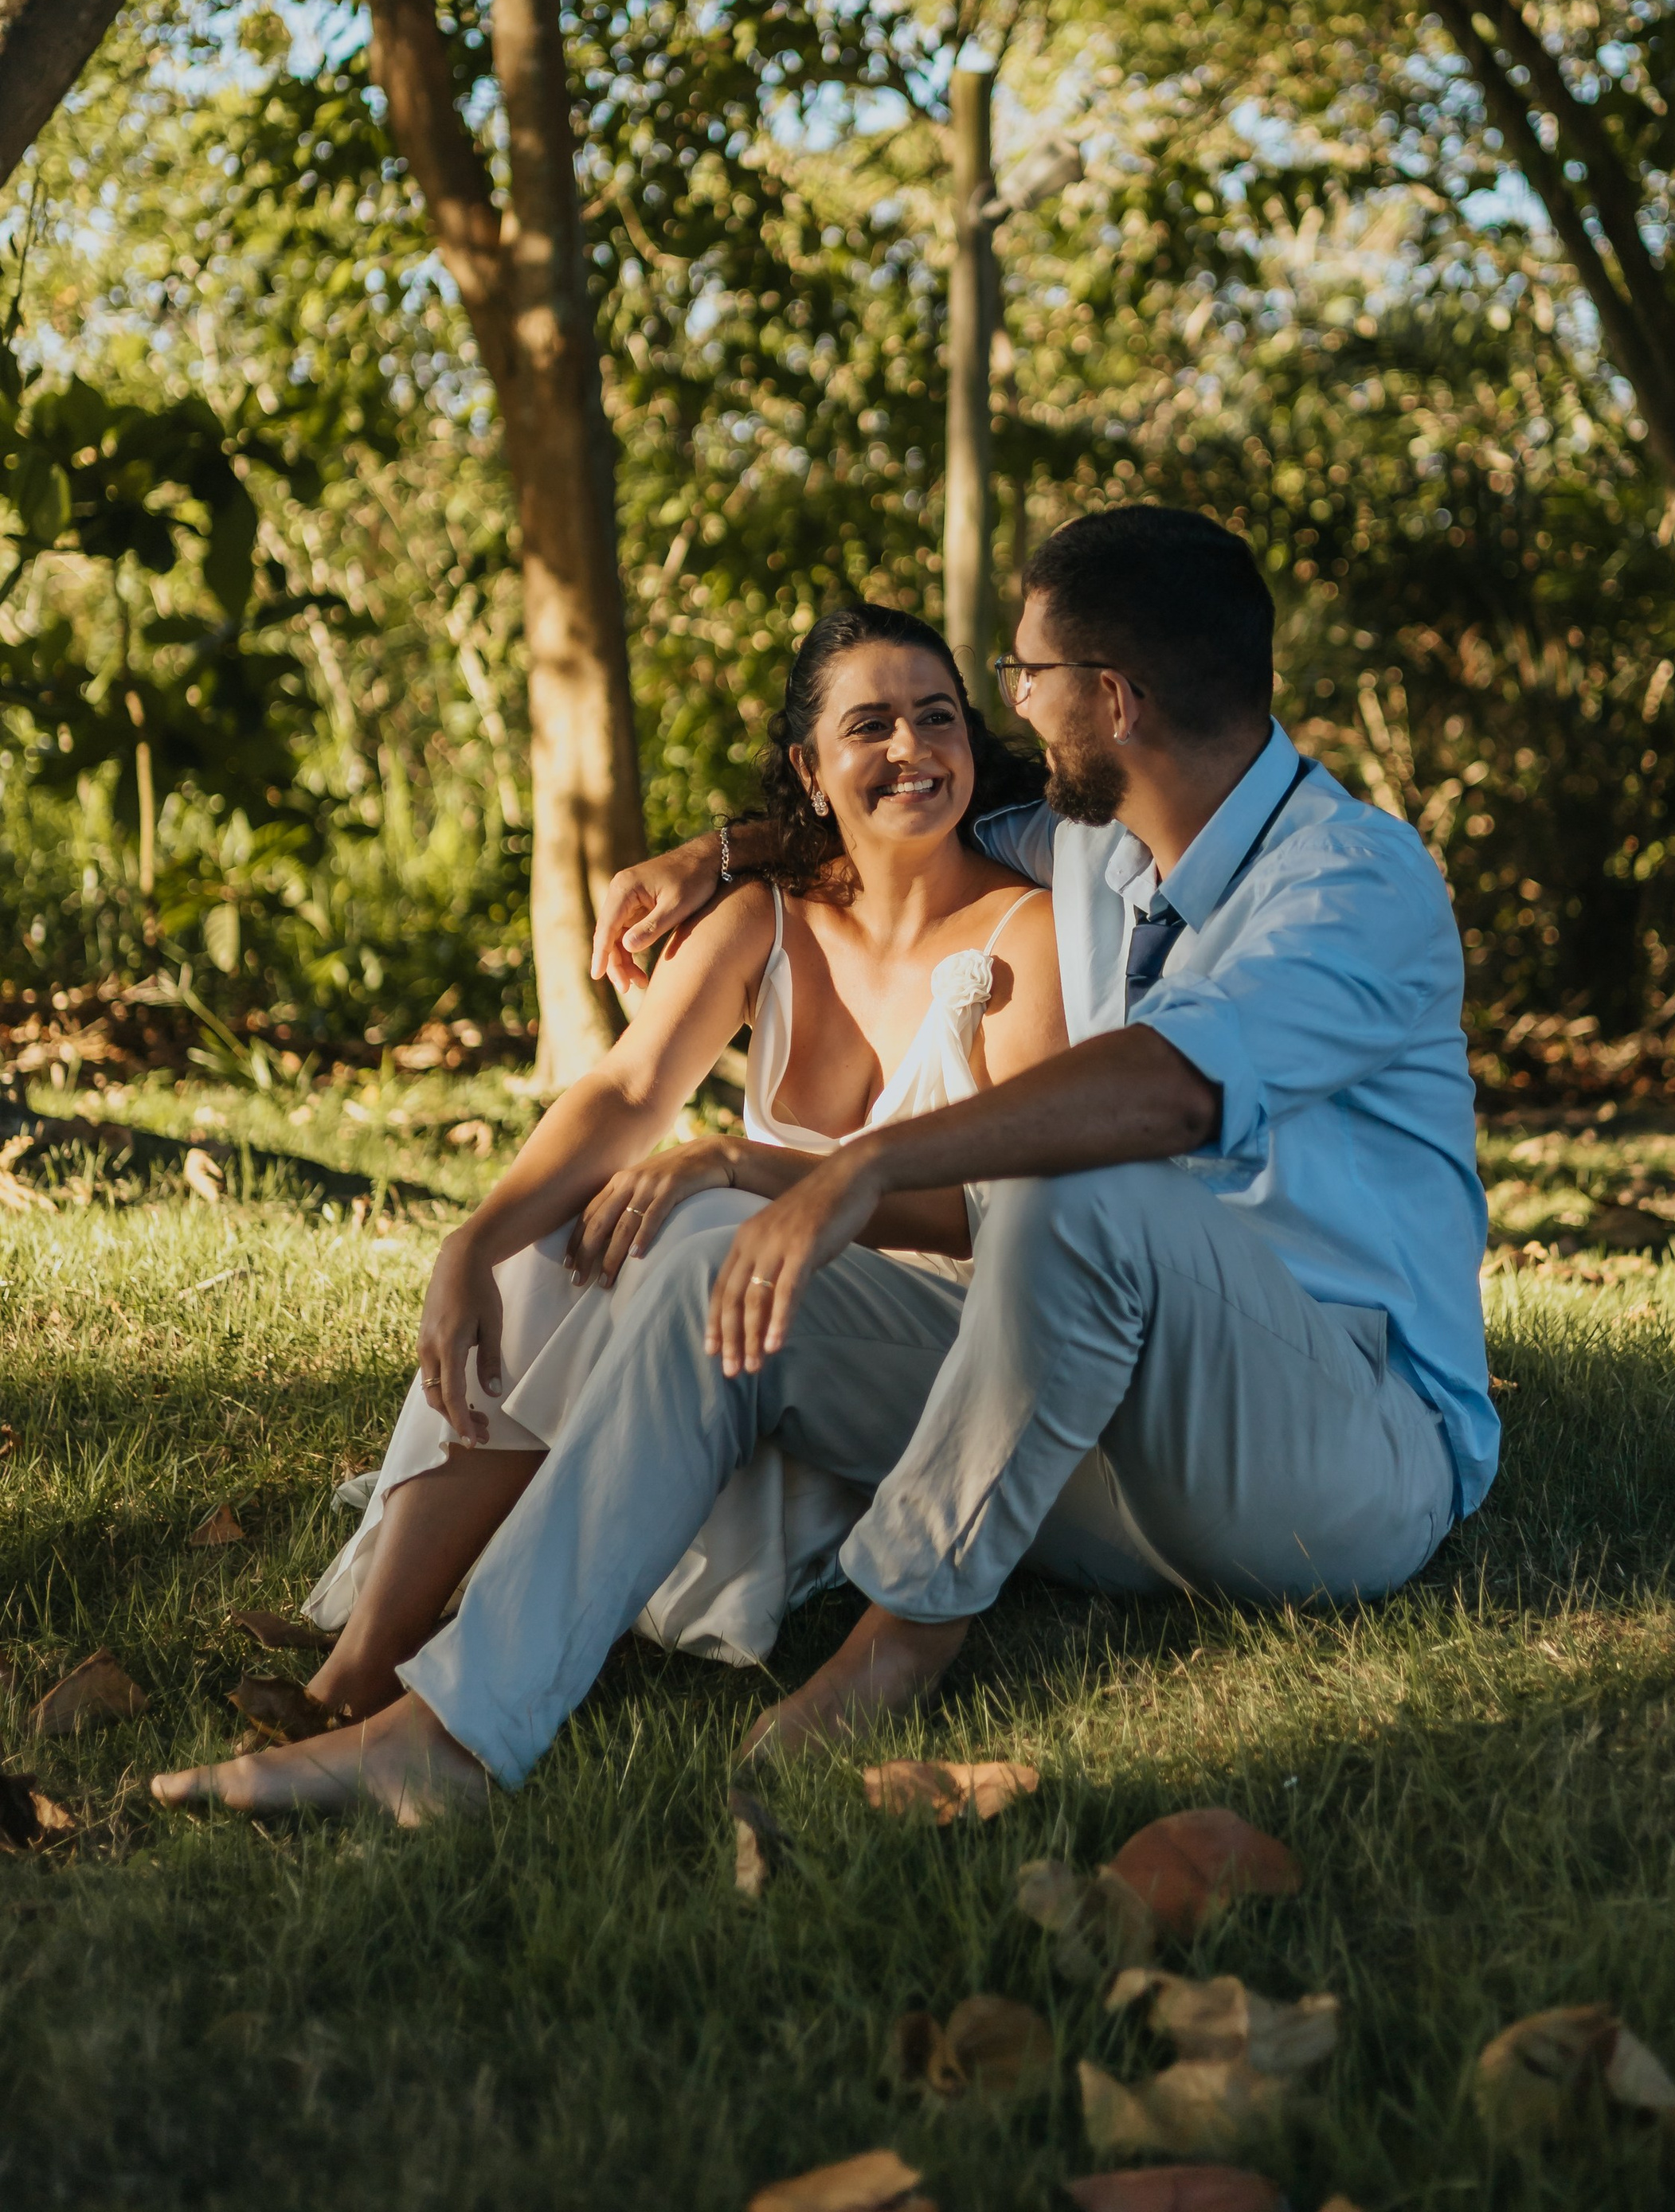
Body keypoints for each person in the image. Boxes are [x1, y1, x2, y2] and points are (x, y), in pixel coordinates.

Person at [158, 506, 1497, 1820]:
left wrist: (853, 1167)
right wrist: (717, 853)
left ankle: (896, 1644)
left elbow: (1163, 1092)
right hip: (1091, 1440)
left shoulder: (1351, 882)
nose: (1011, 709)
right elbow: (890, 829)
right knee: (709, 1269)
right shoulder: (1101, 843)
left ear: (1113, 698)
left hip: (1334, 1455)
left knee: (1078, 1173)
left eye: (1025, 675)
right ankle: (453, 1731)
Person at [152, 601, 1063, 1817]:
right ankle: (362, 1671)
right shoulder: (770, 914)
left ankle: (441, 1717)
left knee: (693, 1221)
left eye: (937, 716)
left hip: (932, 1356)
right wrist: (475, 1239)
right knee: (571, 1225)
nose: (912, 747)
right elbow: (630, 1089)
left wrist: (742, 1162)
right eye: (872, 725)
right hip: (734, 1334)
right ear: (809, 768)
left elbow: (1005, 1223)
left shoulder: (1025, 935)